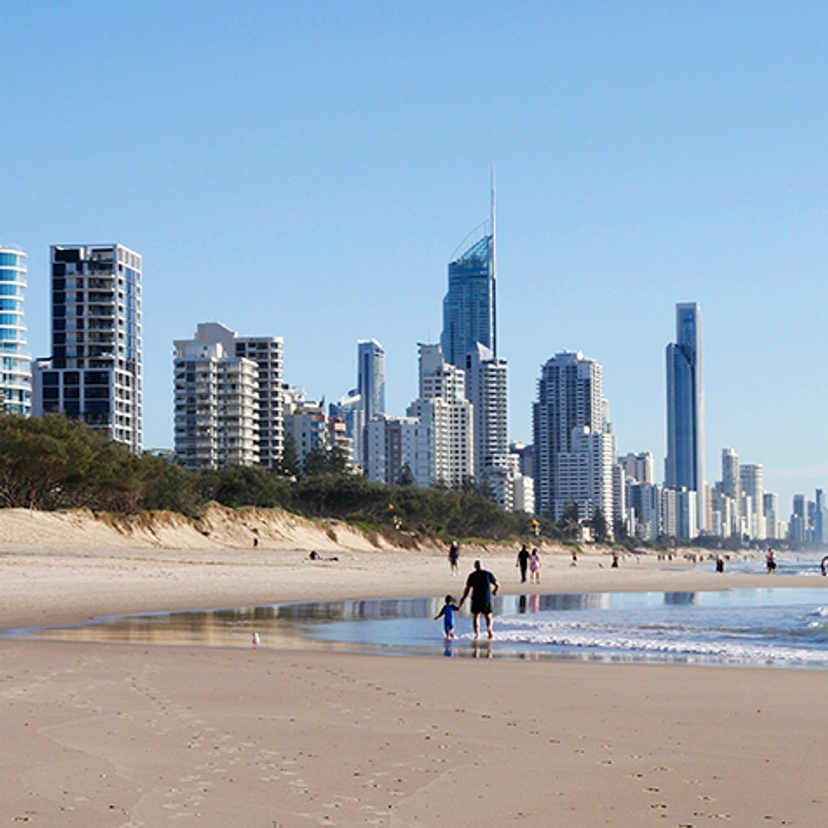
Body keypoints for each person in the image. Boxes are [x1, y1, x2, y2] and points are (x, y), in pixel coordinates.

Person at [458, 559, 500, 639]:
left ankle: (477, 634)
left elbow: (467, 589)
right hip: (485, 598)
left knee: (477, 616)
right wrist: (495, 591)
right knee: (487, 616)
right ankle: (489, 630)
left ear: (475, 567)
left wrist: (463, 598)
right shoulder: (487, 574)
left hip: (477, 598)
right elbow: (497, 584)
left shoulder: (473, 575)